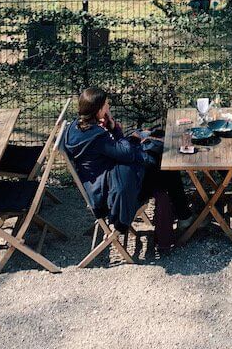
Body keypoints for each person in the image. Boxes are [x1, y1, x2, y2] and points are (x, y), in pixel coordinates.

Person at [64, 87, 193, 247]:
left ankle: (182, 216)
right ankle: (184, 217)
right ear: (98, 109)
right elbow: (127, 153)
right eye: (106, 105)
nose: (108, 108)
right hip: (110, 196)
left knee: (159, 168)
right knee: (166, 171)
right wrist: (115, 129)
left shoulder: (75, 128)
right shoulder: (96, 137)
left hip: (99, 184)